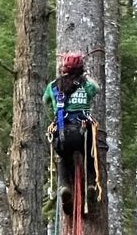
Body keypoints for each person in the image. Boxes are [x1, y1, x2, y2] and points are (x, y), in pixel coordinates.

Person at [43, 52, 100, 214]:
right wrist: (86, 75)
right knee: (90, 155)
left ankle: (64, 186)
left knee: (63, 158)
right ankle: (90, 184)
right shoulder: (86, 85)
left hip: (62, 132)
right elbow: (97, 88)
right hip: (84, 131)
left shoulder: (53, 86)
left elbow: (44, 101)